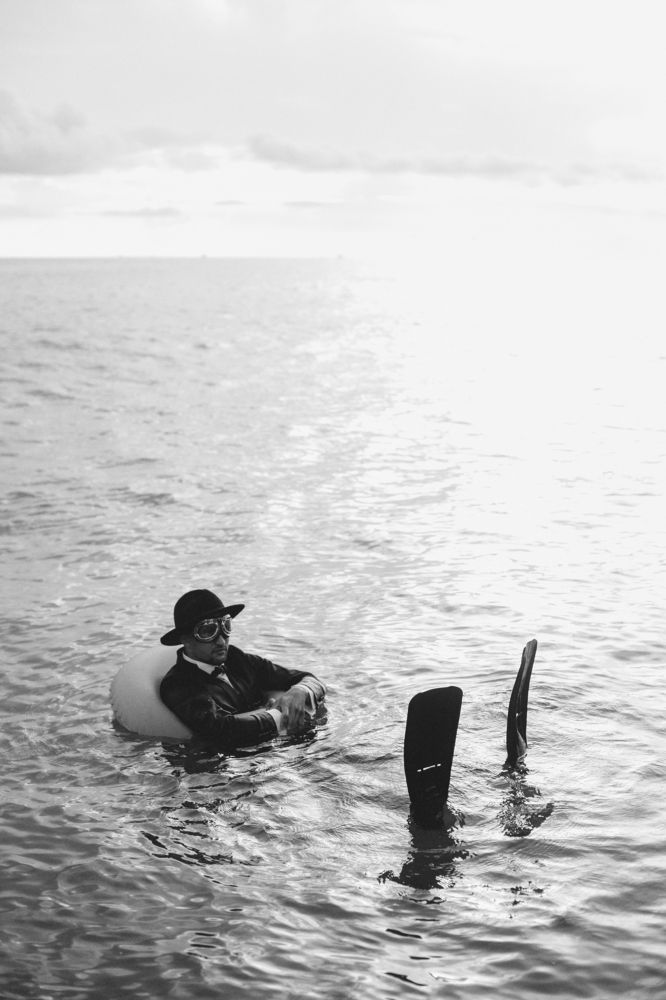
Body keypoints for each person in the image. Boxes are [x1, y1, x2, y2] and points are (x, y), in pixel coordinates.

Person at [159, 589, 326, 751]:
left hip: (279, 749)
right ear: (186, 639)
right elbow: (218, 729)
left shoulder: (238, 660)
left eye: (225, 626)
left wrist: (300, 691)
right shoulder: (178, 683)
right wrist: (279, 715)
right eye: (208, 631)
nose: (221, 641)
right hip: (234, 762)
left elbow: (308, 678)